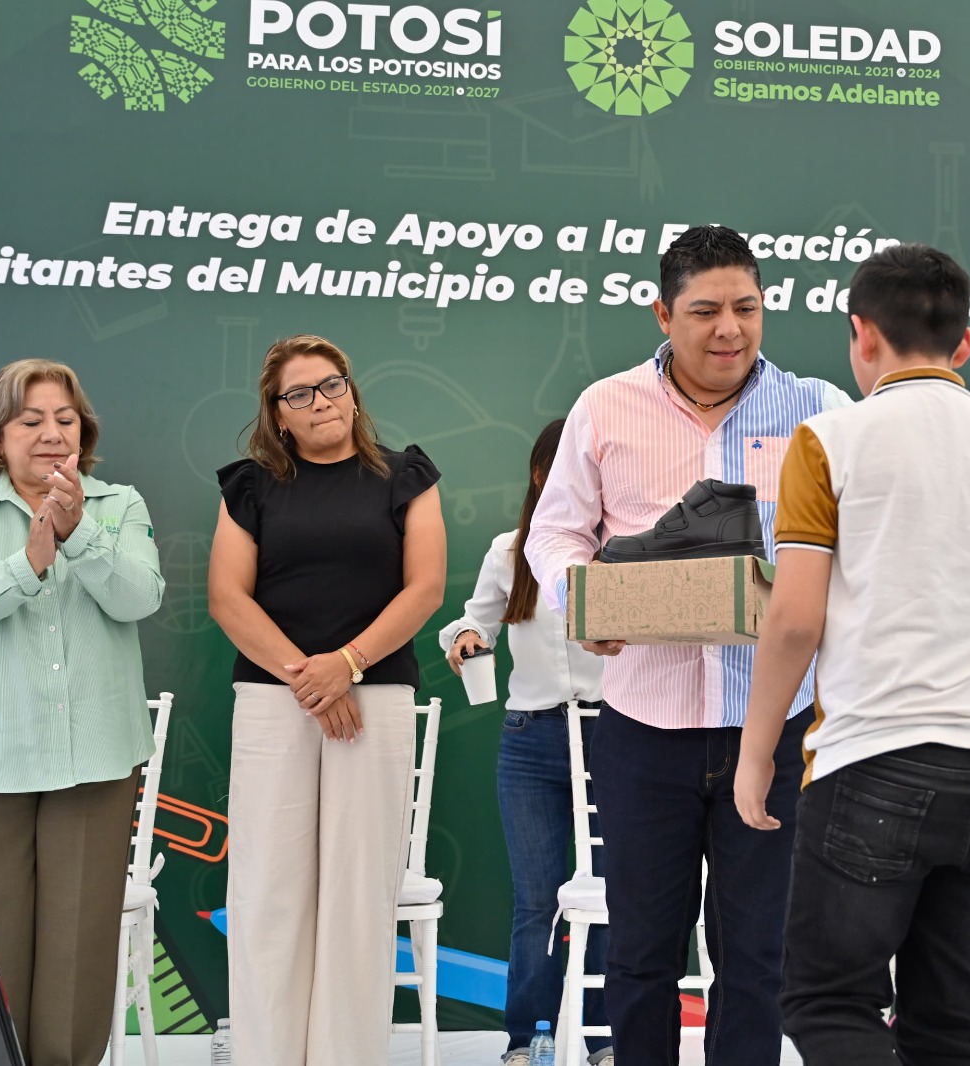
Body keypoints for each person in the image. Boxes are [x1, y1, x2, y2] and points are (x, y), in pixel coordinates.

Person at [736, 244, 970, 1064]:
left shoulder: (830, 440)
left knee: (827, 1001)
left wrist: (754, 755)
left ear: (862, 334)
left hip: (878, 759)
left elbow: (792, 622)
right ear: (964, 348)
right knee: (949, 1024)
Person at [524, 224, 851, 1066]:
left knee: (757, 957)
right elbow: (555, 533)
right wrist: (583, 599)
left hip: (775, 726)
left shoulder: (821, 409)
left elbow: (873, 532)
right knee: (640, 953)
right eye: (705, 311)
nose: (729, 330)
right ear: (663, 312)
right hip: (642, 722)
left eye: (746, 308)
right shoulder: (606, 406)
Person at [208, 334, 446, 1066]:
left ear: (352, 391)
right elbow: (225, 597)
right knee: (268, 894)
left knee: (356, 900)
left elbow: (426, 588)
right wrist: (307, 678)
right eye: (300, 393)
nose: (321, 402)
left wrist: (347, 664)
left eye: (332, 384)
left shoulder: (406, 476)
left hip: (371, 702)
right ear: (277, 414)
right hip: (277, 702)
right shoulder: (251, 485)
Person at [0, 359, 163, 1066]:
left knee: (79, 949)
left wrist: (80, 532)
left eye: (65, 420)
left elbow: (140, 598)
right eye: (31, 421)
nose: (52, 434)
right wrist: (25, 566)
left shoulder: (120, 506)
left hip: (94, 761)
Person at [438, 419, 613, 1066]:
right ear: (542, 473)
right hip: (531, 736)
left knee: (611, 895)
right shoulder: (509, 550)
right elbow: (470, 620)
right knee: (537, 898)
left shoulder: (625, 549)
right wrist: (461, 640)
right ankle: (527, 1038)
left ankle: (604, 1038)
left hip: (615, 735)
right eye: (566, 464)